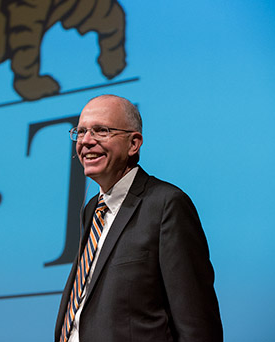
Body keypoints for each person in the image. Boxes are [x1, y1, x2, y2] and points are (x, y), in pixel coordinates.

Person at [54, 94, 223, 342]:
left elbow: (197, 323)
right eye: (80, 132)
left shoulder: (166, 204)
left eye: (101, 131)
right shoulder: (92, 209)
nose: (86, 141)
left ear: (134, 143)